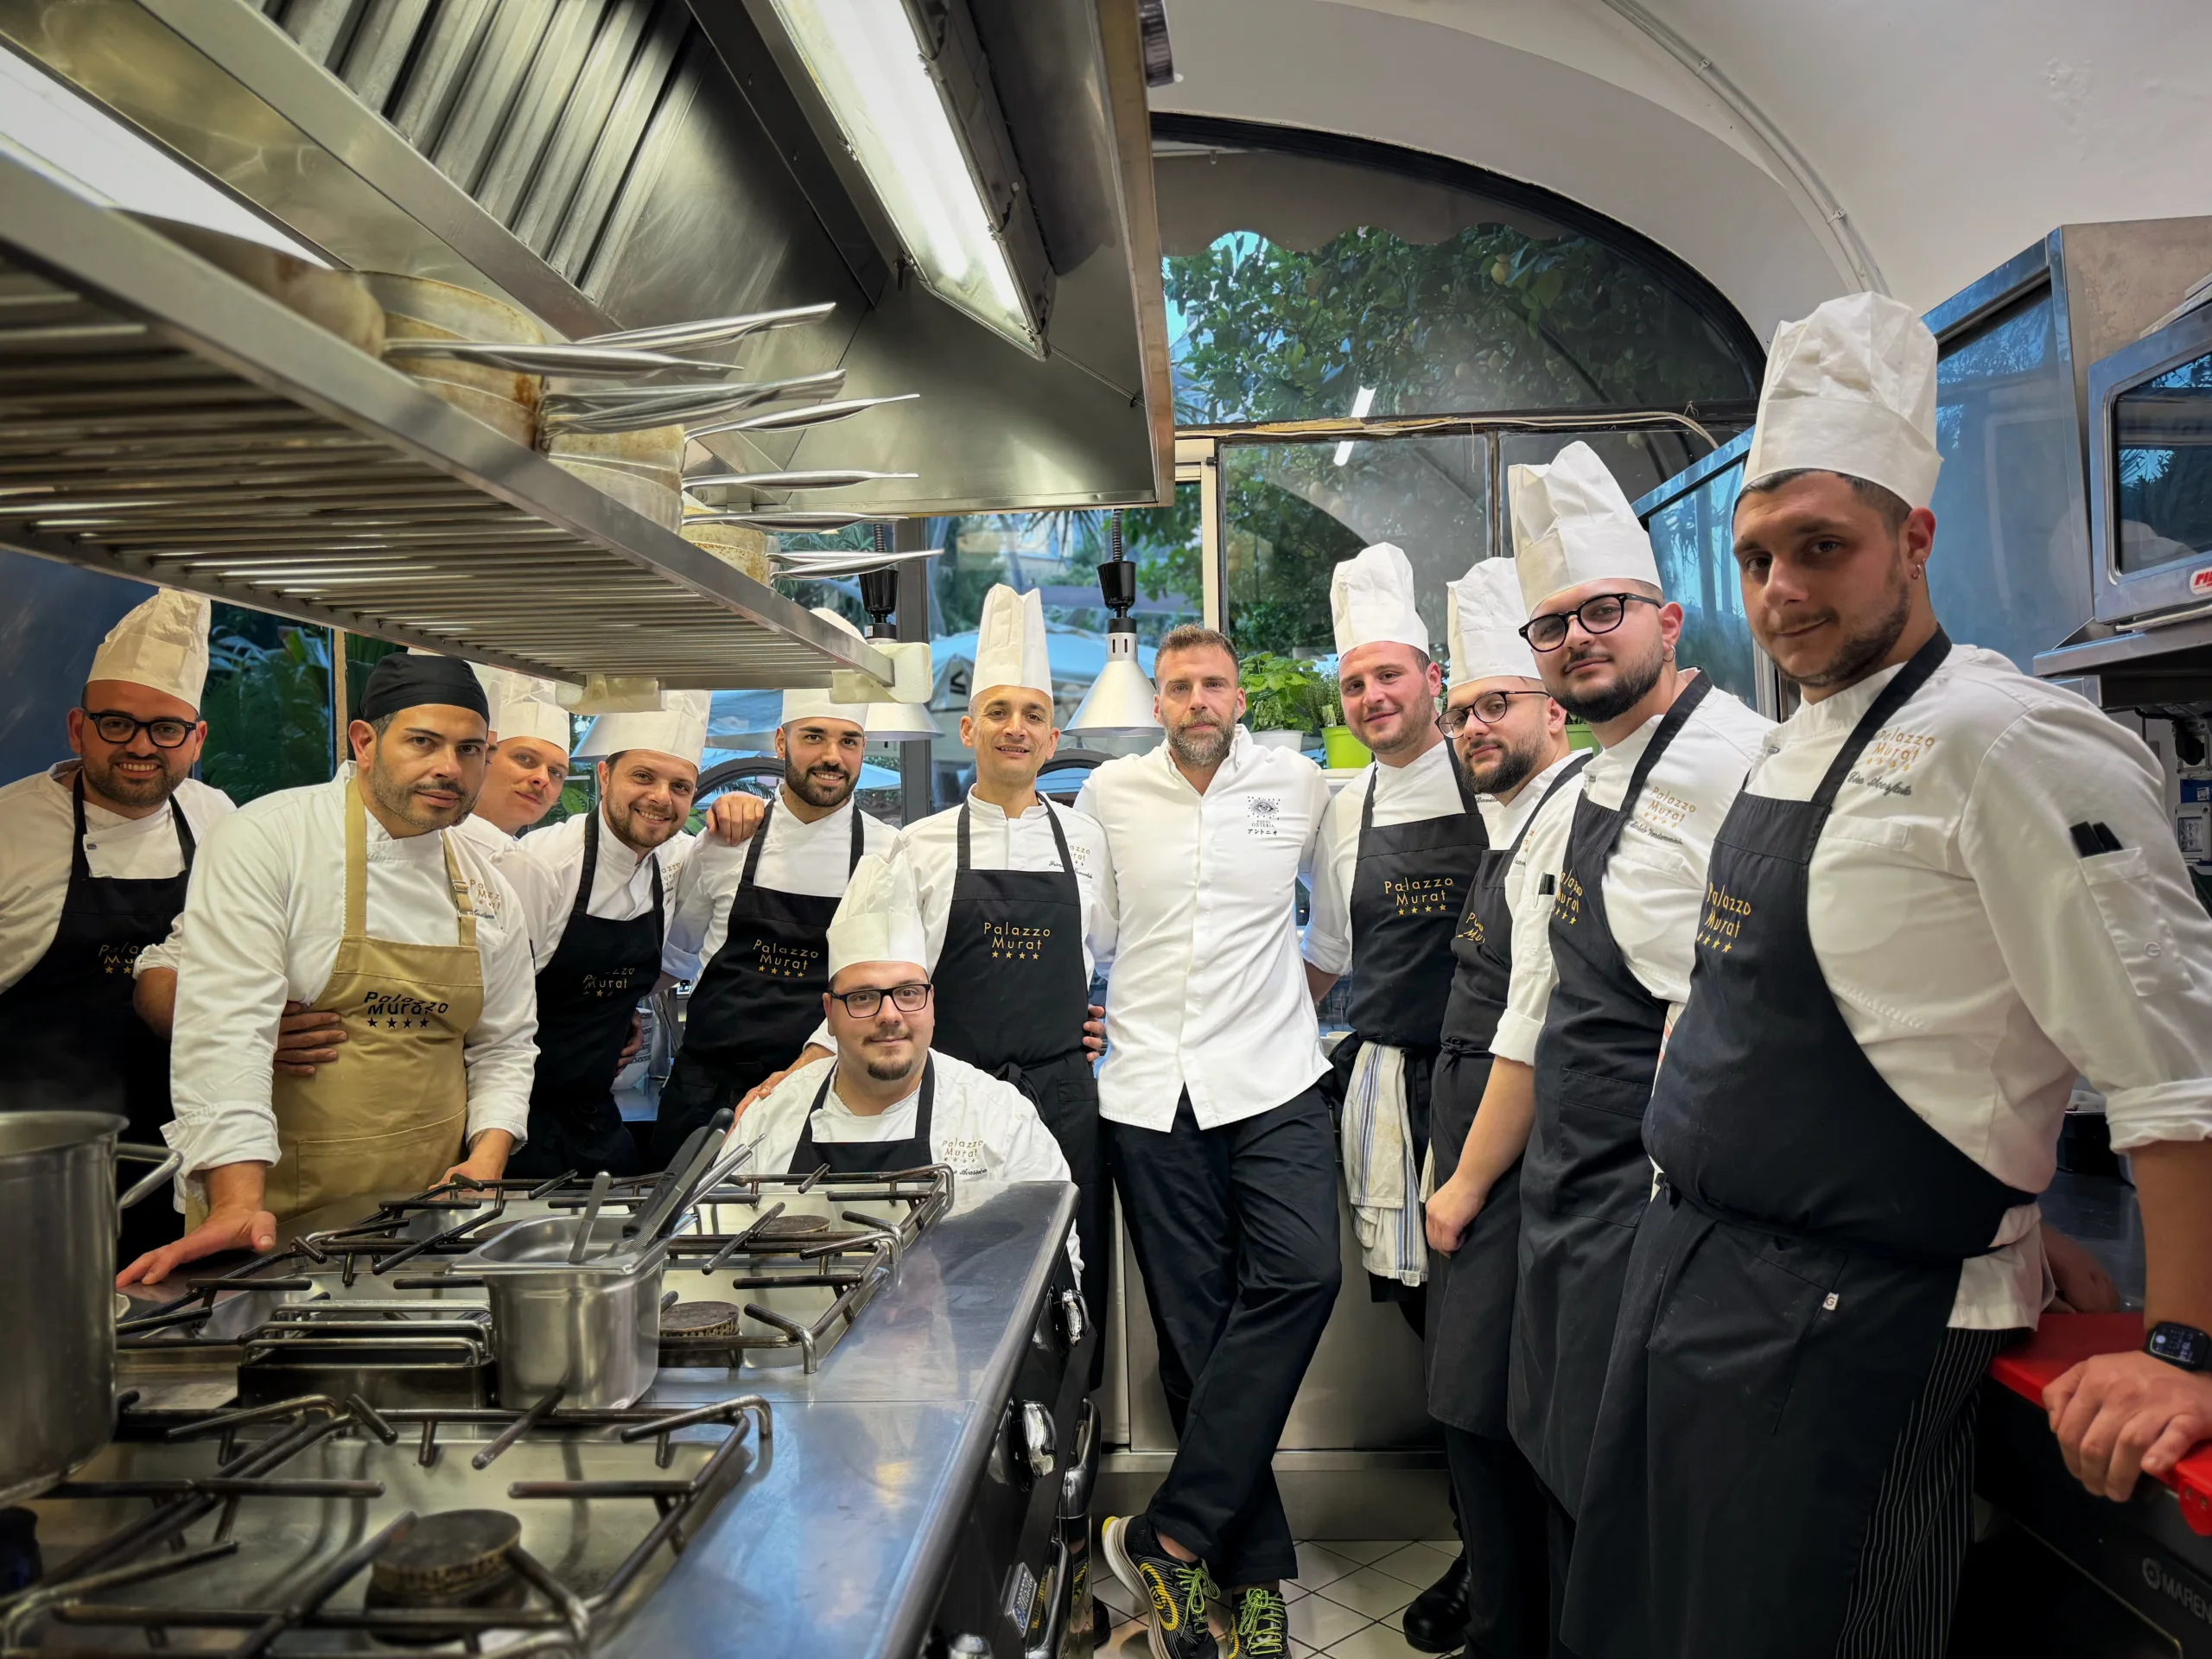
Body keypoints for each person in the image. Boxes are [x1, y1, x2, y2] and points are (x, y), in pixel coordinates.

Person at [1562, 294, 2212, 1659]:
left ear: (1913, 538)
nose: (1784, 590)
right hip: (1697, 1276)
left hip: (1852, 1329)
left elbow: (2175, 1070)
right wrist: (2017, 1193)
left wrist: (2186, 1348)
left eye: (1822, 549)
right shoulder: (1801, 736)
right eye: (1758, 559)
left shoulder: (2009, 744)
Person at [1497, 442, 1773, 1620]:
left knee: (1640, 1511)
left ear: (1666, 616)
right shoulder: (1601, 771)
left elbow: (1751, 1008)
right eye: (1552, 627)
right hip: (1576, 1182)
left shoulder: (1745, 761)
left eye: (1601, 612)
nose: (1578, 640)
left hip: (1658, 1204)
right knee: (1573, 1478)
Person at [118, 652, 537, 1286]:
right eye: (423, 742)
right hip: (279, 1218)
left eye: (470, 750)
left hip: (428, 1221)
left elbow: (505, 1043)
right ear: (364, 741)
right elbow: (227, 1026)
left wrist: (486, 1160)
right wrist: (235, 1202)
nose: (448, 768)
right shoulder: (270, 839)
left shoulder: (490, 888)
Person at [1087, 625, 1339, 1659]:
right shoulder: (1109, 798)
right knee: (1198, 1338)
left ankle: (1167, 1533)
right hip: (1148, 1090)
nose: (1198, 700)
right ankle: (1248, 1573)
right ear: (1160, 703)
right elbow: (1092, 931)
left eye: (1214, 685)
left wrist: (1287, 1001)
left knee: (1302, 1276)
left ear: (1240, 697)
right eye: (1180, 686)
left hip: (1276, 1077)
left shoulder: (1302, 786)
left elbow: (1335, 929)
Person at [838, 584, 1116, 1360]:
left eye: (1032, 714)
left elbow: (1116, 954)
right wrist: (809, 1060)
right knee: (950, 1294)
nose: (1015, 728)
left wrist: (1105, 1022)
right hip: (953, 1098)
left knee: (1065, 1281)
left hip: (1063, 1099)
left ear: (1052, 737)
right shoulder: (915, 846)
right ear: (968, 729)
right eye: (998, 712)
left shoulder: (1087, 842)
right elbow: (867, 980)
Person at [1298, 542, 1491, 1648]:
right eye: (1355, 684)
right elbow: (1327, 959)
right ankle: (1483, 1550)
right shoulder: (1345, 808)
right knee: (1439, 1335)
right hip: (1393, 1090)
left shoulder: (1499, 771)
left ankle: (1517, 1548)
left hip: (1500, 1087)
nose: (1374, 698)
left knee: (1502, 1329)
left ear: (1433, 676)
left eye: (1391, 676)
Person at [1421, 559, 1586, 1659]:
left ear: (1551, 707)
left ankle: (1509, 1635)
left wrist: (1461, 1187)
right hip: (1484, 1154)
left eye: (1496, 704)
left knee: (1488, 1416)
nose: (1476, 726)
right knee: (1480, 1412)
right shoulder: (1512, 821)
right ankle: (1503, 1618)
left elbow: (1533, 1025)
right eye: (1463, 711)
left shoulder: (1565, 818)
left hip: (1518, 1171)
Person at [0, 589, 235, 1262]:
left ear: (196, 739)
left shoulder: (217, 817)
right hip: (34, 1163)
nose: (140, 746)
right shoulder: (9, 829)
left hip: (180, 1162)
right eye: (116, 724)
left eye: (165, 728)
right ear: (78, 728)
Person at [658, 607, 898, 1166]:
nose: (832, 757)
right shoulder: (725, 841)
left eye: (849, 740)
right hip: (707, 1095)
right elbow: (679, 951)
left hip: (825, 1094)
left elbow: (885, 986)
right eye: (814, 736)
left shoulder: (890, 853)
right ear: (781, 740)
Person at [715, 855, 1077, 1214]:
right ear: (829, 1013)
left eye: (908, 993)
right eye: (862, 997)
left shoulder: (1001, 1119)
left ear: (931, 1002)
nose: (890, 1015)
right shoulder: (769, 1118)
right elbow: (711, 1240)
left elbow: (1052, 1255)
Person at [503, 691, 710, 1180]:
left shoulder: (671, 863)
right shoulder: (543, 865)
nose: (661, 797)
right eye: (643, 776)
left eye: (680, 786)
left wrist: (621, 1009)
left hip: (595, 1114)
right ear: (603, 776)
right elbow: (485, 1007)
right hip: (514, 1121)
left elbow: (668, 965)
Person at [455, 667, 575, 845]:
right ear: (483, 758)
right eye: (524, 758)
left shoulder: (530, 867)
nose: (542, 778)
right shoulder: (431, 844)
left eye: (555, 772)